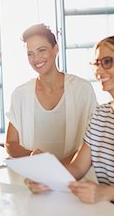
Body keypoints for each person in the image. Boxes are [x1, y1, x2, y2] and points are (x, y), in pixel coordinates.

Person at [26, 35, 114, 216]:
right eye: (97, 63)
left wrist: (106, 192)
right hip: (108, 208)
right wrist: (47, 180)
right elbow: (78, 167)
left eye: (107, 62)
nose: (99, 70)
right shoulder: (101, 114)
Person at [6, 24, 97, 164]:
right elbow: (11, 143)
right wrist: (33, 156)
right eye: (30, 54)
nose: (36, 59)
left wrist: (59, 167)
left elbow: (93, 142)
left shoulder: (82, 89)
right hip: (36, 177)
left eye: (41, 50)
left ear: (56, 49)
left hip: (75, 177)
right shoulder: (20, 94)